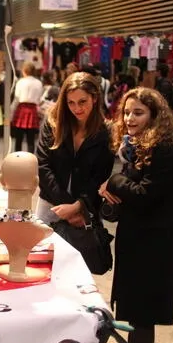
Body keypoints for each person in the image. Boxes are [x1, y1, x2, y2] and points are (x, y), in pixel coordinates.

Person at [98, 88, 173, 343]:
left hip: (154, 243)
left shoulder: (165, 149)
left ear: (154, 116)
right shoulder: (136, 146)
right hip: (138, 238)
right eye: (126, 112)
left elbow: (144, 194)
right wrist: (113, 196)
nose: (130, 118)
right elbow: (131, 196)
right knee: (134, 309)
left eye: (138, 112)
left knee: (143, 313)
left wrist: (114, 181)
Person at [35, 72, 115, 228]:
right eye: (71, 102)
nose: (77, 108)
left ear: (95, 98)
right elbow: (43, 165)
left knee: (84, 251)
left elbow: (100, 176)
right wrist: (66, 204)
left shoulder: (105, 132)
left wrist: (78, 206)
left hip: (86, 208)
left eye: (82, 101)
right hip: (51, 203)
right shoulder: (53, 123)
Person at [12, 62, 43, 153]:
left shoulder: (20, 82)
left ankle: (17, 159)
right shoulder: (38, 83)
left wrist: (11, 113)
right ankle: (30, 160)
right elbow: (39, 99)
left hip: (21, 109)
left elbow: (16, 98)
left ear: (24, 71)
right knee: (31, 140)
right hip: (32, 110)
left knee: (18, 139)